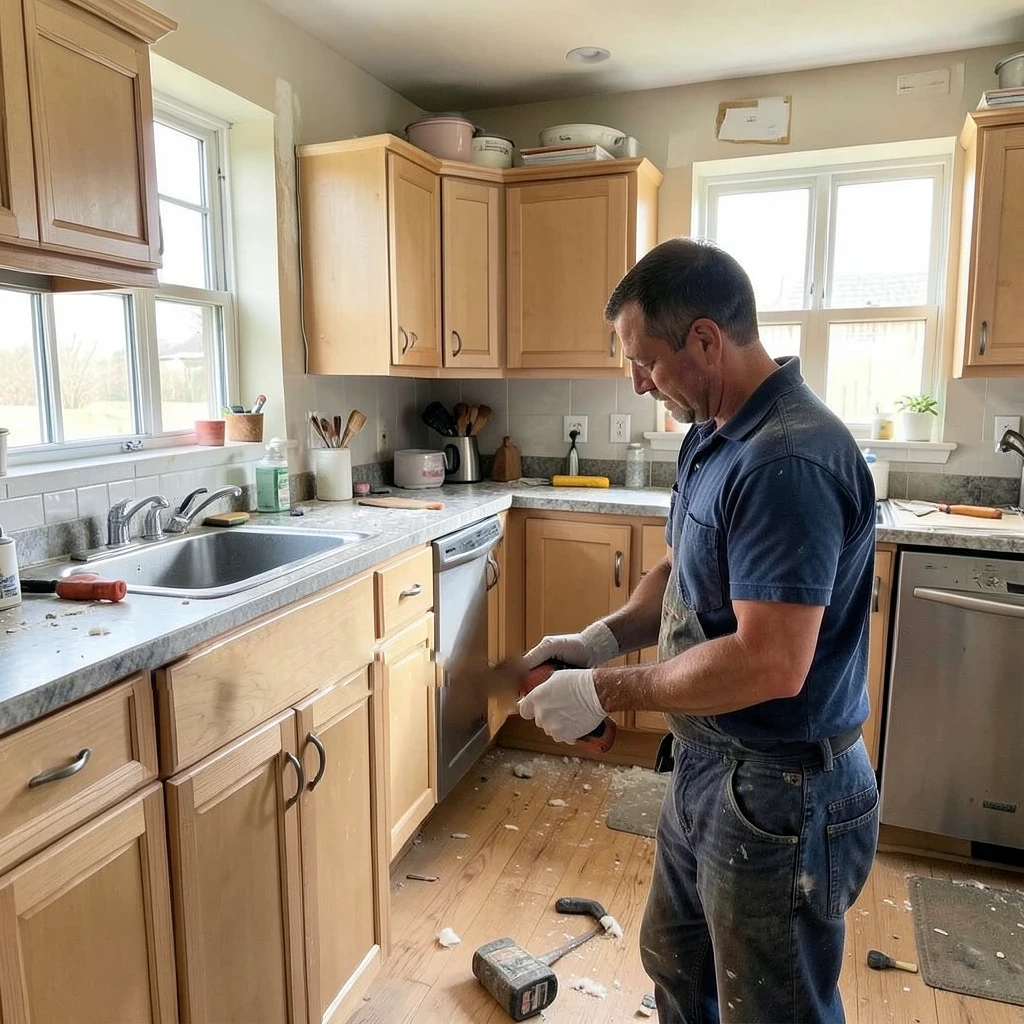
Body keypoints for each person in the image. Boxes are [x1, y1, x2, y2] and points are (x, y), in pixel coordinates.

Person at [519, 238, 878, 1023]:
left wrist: (603, 692)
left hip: (783, 793)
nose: (637, 381)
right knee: (678, 965)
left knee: (774, 1008)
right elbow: (679, 574)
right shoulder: (713, 434)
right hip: (711, 768)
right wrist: (598, 643)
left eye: (644, 361)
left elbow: (770, 663)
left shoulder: (788, 459)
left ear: (707, 339)